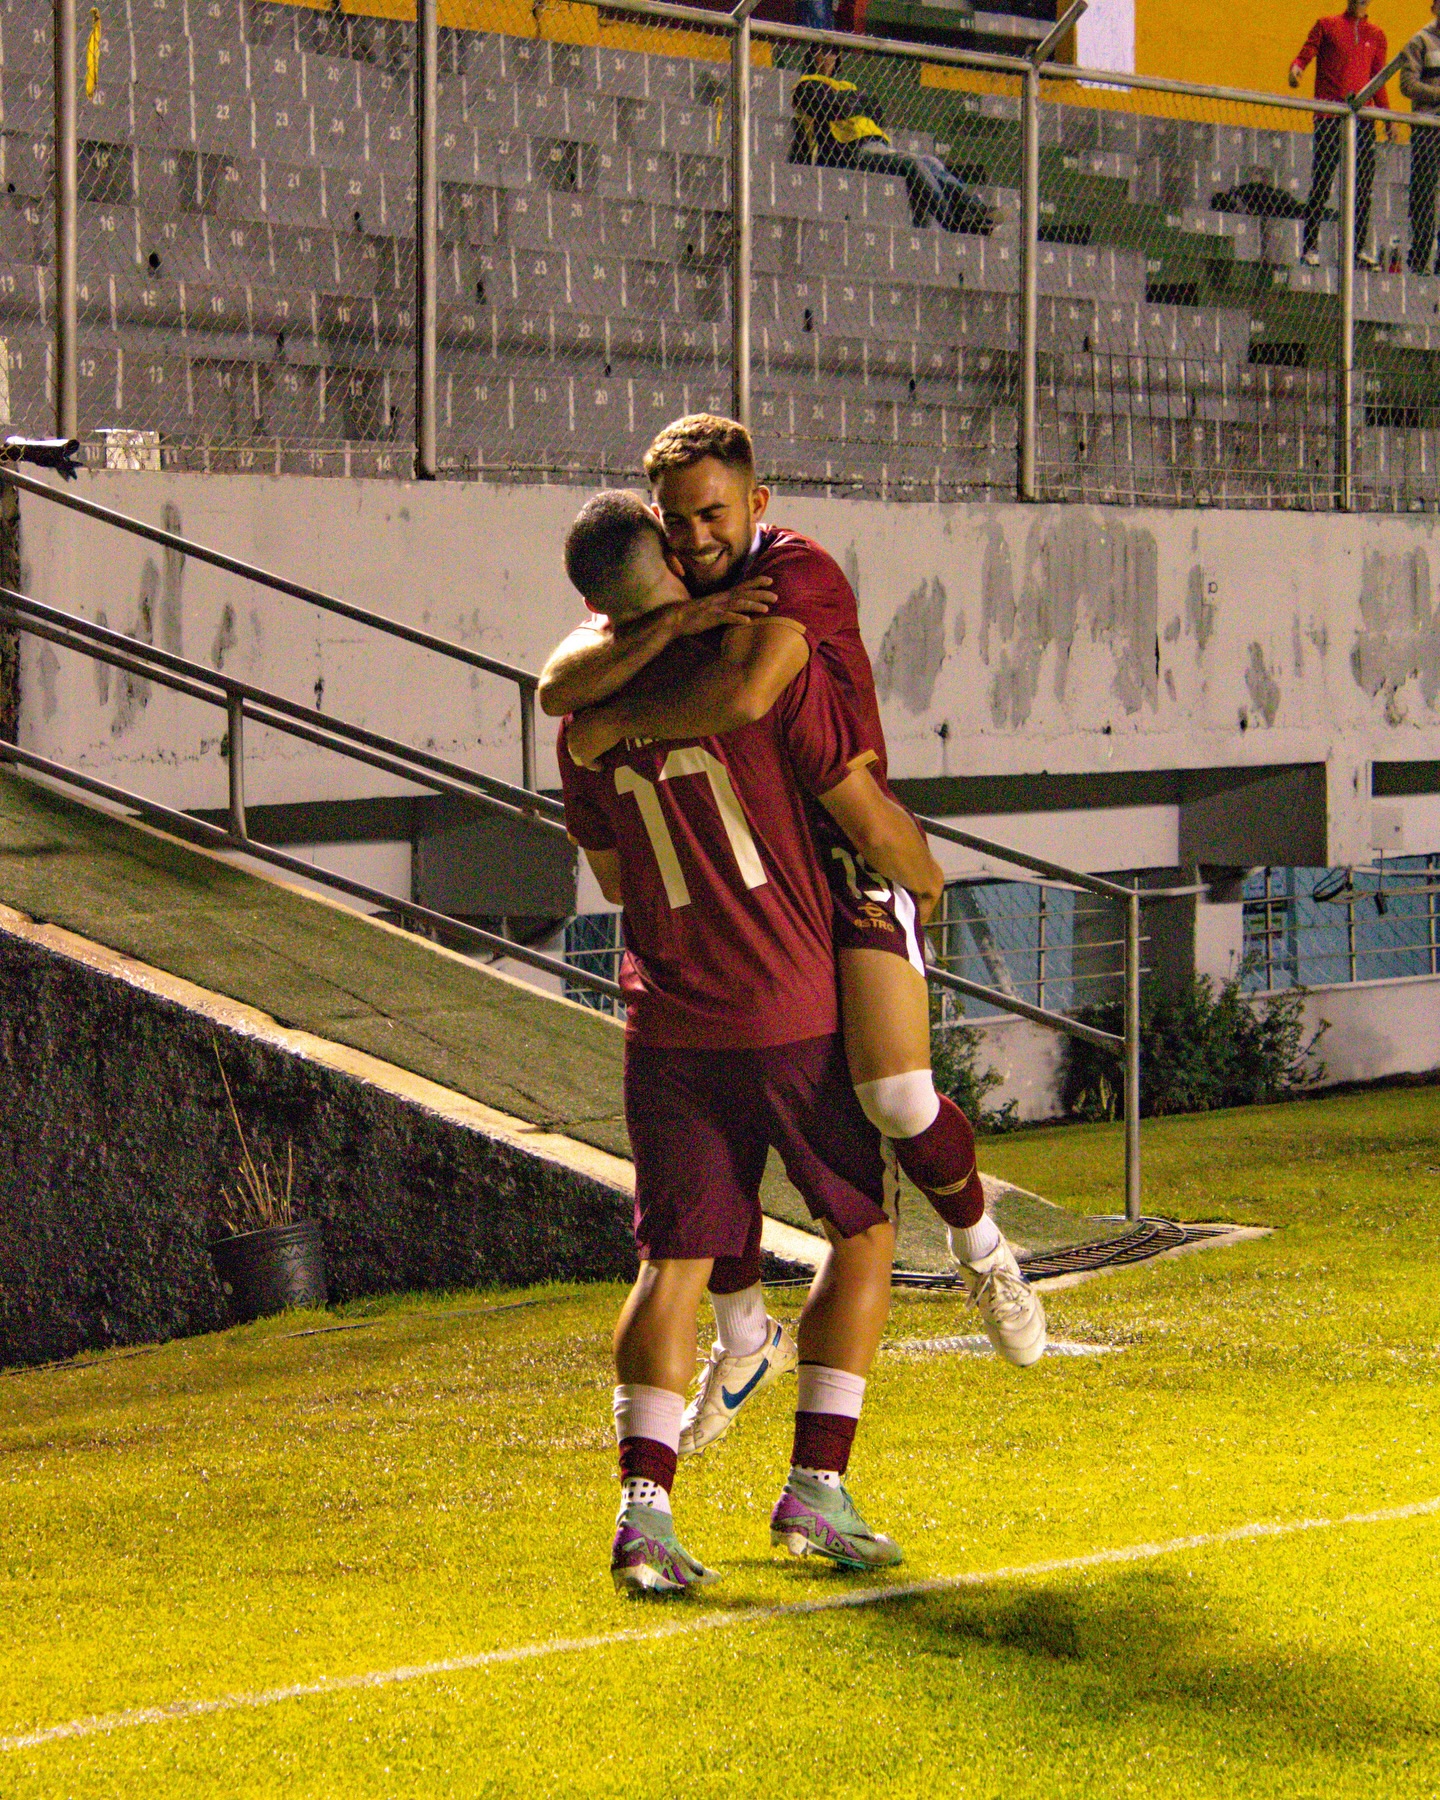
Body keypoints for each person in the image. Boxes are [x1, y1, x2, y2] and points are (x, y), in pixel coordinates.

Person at [541, 416, 1046, 1463]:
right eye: (676, 526)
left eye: (714, 514)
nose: (696, 539)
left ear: (759, 505)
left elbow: (743, 694)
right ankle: (750, 1357)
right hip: (753, 917)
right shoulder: (669, 625)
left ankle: (985, 1247)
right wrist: (649, 655)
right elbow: (560, 679)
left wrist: (612, 727)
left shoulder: (793, 575)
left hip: (843, 852)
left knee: (897, 1099)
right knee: (723, 1143)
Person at [558, 491, 947, 1593]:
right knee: (860, 1231)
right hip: (789, 1003)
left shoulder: (579, 726)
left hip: (671, 1015)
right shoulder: (756, 671)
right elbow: (860, 813)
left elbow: (616, 880)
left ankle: (646, 1517)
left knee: (667, 1264)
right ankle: (815, 1490)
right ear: (676, 575)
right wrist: (922, 885)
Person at [787, 47, 995, 236]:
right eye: (822, 51)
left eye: (833, 52)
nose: (828, 56)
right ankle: (952, 221)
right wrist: (855, 102)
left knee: (932, 162)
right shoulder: (806, 85)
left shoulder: (848, 85)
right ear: (812, 56)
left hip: (876, 145)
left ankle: (971, 208)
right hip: (844, 152)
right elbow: (832, 108)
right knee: (913, 163)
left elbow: (875, 110)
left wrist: (850, 103)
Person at [1289, 0, 1395, 269]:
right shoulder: (1326, 25)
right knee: (1322, 182)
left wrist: (1387, 117)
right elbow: (1306, 53)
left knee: (1362, 188)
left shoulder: (1376, 35)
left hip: (1362, 121)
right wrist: (1297, 67)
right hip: (1329, 117)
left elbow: (1377, 79)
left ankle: (1356, 249)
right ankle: (1310, 246)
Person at [1399, 0, 1440, 274]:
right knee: (1424, 193)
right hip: (1427, 127)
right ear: (1434, 7)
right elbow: (1407, 85)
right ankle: (1420, 258)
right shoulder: (1419, 41)